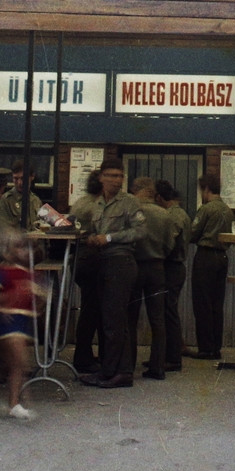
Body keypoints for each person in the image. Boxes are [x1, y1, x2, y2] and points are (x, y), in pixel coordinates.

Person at [80, 162, 148, 389]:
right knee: (112, 320)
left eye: (120, 176)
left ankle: (113, 372)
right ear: (101, 178)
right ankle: (117, 371)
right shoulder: (98, 204)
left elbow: (140, 231)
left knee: (115, 321)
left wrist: (108, 238)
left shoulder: (130, 202)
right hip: (103, 262)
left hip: (120, 262)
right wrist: (91, 238)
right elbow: (94, 232)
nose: (116, 180)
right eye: (111, 175)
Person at [0, 234, 45, 419]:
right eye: (21, 247)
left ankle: (14, 403)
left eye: (30, 248)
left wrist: (38, 306)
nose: (26, 252)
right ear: (10, 251)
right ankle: (20, 401)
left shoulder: (31, 275)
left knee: (17, 366)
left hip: (21, 323)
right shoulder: (7, 272)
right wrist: (0, 307)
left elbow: (39, 299)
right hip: (9, 324)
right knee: (20, 362)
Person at [128, 178, 171, 381]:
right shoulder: (165, 214)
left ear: (136, 190)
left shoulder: (131, 211)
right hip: (157, 267)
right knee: (158, 319)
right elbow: (170, 244)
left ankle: (127, 364)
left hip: (135, 266)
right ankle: (157, 366)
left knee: (130, 318)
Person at [189, 173, 234, 360]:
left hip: (206, 256)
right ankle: (216, 346)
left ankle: (205, 348)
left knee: (202, 304)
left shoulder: (206, 210)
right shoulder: (227, 210)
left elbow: (193, 233)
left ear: (206, 190)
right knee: (217, 304)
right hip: (222, 256)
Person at [69, 169, 106, 374]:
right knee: (93, 311)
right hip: (93, 258)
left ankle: (85, 355)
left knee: (90, 308)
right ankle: (84, 358)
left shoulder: (80, 202)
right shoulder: (98, 206)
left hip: (79, 259)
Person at [155, 180, 190, 372]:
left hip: (172, 266)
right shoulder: (179, 213)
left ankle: (173, 357)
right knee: (168, 310)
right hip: (175, 266)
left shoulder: (173, 215)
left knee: (169, 311)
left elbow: (169, 241)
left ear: (159, 198)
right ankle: (167, 355)